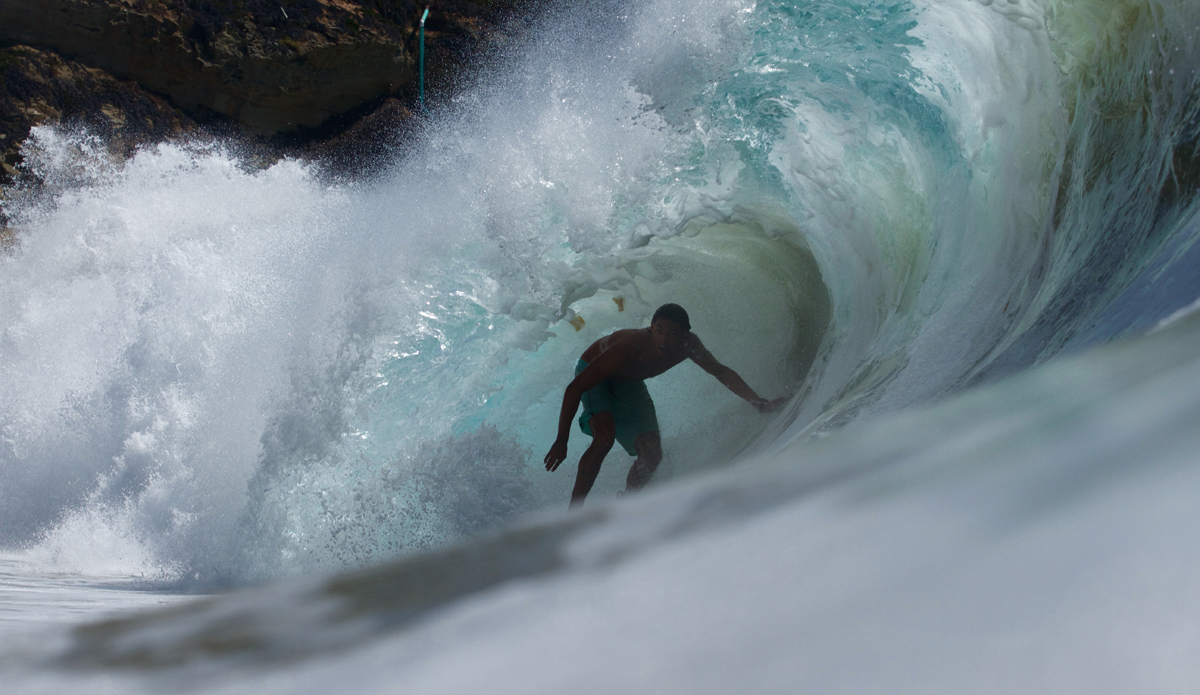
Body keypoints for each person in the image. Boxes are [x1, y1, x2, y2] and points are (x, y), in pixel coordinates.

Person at [543, 303, 787, 506]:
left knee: (652, 454)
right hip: (595, 373)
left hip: (628, 382)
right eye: (658, 330)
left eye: (672, 333)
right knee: (605, 437)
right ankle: (573, 515)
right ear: (651, 328)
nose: (664, 339)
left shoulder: (689, 346)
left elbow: (720, 371)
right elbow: (575, 388)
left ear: (685, 334)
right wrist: (561, 440)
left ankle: (627, 505)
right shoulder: (629, 347)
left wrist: (759, 403)